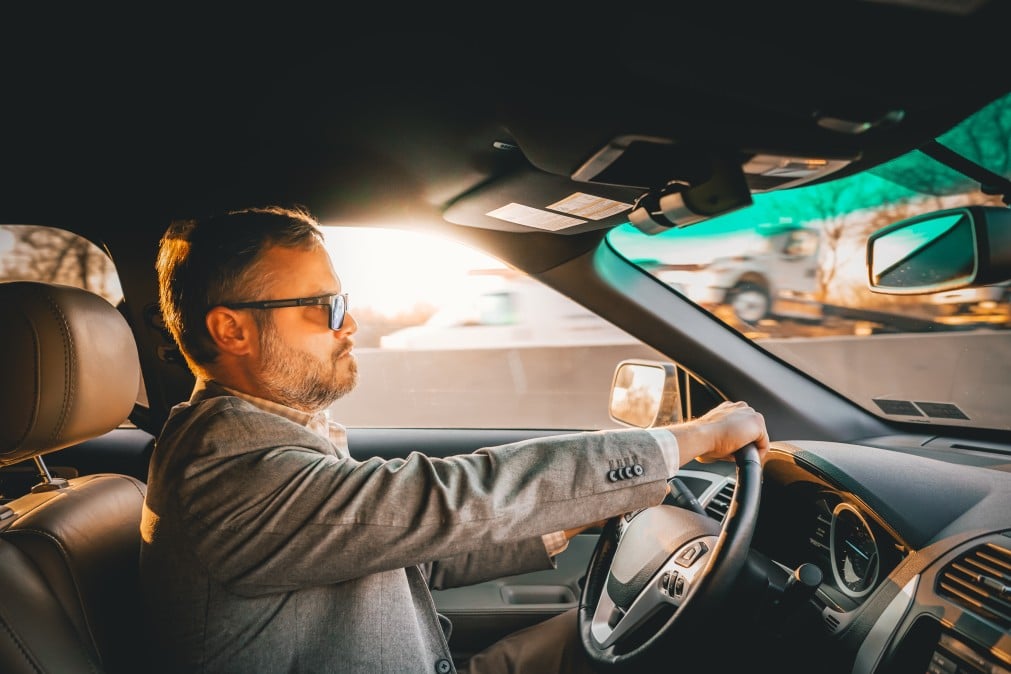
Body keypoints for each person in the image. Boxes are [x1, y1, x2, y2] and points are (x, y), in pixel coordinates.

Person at [140, 204, 770, 673]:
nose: (350, 323)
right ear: (232, 330)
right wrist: (686, 440)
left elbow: (412, 551)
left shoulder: (267, 438)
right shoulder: (227, 466)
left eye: (344, 301)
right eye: (324, 307)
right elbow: (445, 499)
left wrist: (582, 512)